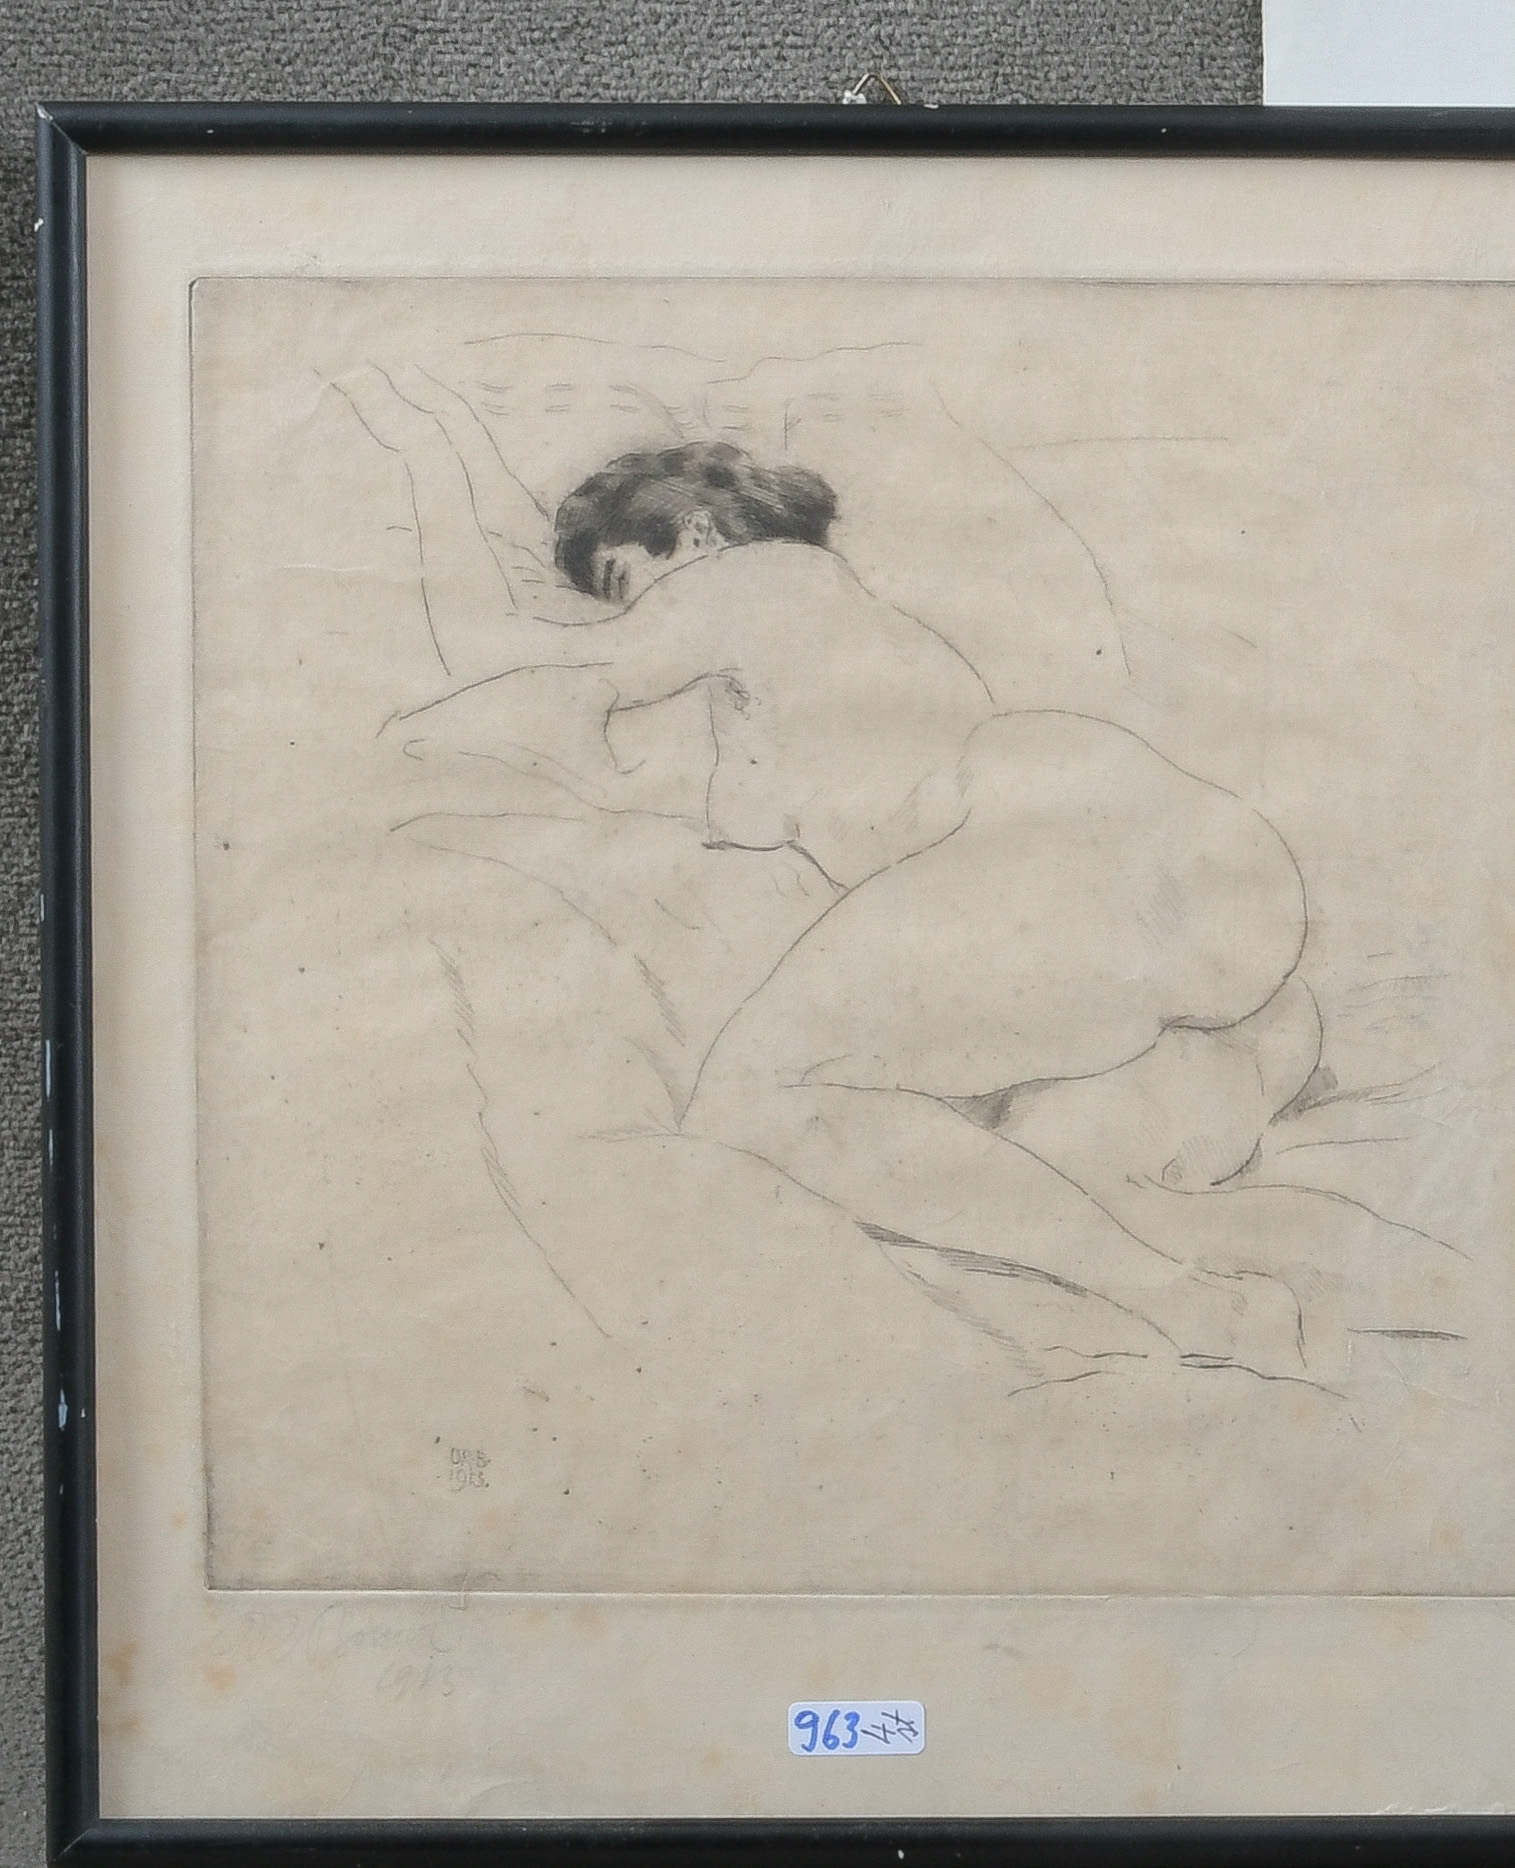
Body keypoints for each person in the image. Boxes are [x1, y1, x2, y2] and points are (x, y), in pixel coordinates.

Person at [334, 363, 1322, 1377]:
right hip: (1206, 874)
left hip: (1054, 847)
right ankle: (1192, 1272)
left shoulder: (751, 578)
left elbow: (537, 668)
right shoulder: (829, 653)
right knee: (980, 1129)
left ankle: (1199, 1307)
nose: (621, 620)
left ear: (696, 534)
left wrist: (376, 732)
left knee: (761, 1101)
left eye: (624, 583)